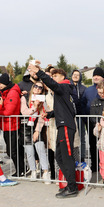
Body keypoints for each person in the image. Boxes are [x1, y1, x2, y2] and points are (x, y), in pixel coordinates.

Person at [28, 62, 78, 199]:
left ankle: (72, 187)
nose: (54, 77)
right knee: (59, 156)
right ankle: (69, 183)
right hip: (62, 125)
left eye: (56, 75)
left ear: (63, 76)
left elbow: (51, 84)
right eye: (53, 75)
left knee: (67, 157)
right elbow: (62, 110)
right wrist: (49, 114)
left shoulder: (63, 86)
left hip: (66, 126)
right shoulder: (62, 90)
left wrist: (38, 72)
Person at [81, 67, 104, 172]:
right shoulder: (88, 90)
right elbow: (82, 104)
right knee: (93, 144)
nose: (96, 77)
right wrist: (86, 118)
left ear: (102, 77)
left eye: (98, 75)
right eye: (94, 75)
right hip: (92, 122)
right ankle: (95, 166)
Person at [20, 81, 50, 184]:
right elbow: (24, 112)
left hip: (39, 127)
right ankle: (33, 170)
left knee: (40, 149)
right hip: (26, 127)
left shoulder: (43, 100)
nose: (37, 88)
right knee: (29, 152)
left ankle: (45, 172)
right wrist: (34, 107)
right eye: (36, 86)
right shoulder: (25, 97)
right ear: (33, 87)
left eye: (40, 87)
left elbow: (42, 116)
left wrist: (37, 131)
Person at [0, 73, 25, 177]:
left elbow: (9, 111)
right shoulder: (7, 92)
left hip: (11, 125)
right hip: (7, 125)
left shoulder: (12, 93)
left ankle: (21, 170)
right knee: (12, 150)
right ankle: (21, 168)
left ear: (5, 83)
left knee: (12, 150)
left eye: (0, 83)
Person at [70, 70, 87, 162]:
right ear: (71, 76)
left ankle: (82, 157)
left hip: (81, 116)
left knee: (82, 137)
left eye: (78, 75)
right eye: (74, 74)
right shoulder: (68, 87)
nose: (76, 76)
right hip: (71, 116)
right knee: (72, 137)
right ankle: (74, 157)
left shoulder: (84, 88)